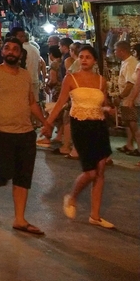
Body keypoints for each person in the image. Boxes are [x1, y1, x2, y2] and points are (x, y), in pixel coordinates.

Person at [0, 37, 48, 235]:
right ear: (3, 52)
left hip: (26, 133)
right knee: (3, 173)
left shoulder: (25, 75)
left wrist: (46, 123)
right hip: (2, 132)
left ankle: (19, 219)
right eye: (7, 48)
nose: (10, 52)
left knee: (23, 177)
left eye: (15, 49)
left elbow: (32, 103)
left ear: (20, 54)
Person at [41, 46, 115, 229]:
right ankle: (72, 198)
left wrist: (109, 110)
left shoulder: (101, 81)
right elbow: (60, 103)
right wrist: (48, 123)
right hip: (80, 126)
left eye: (88, 57)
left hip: (99, 125)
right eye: (81, 57)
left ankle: (95, 216)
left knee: (101, 170)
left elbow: (103, 103)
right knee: (90, 172)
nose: (84, 60)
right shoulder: (71, 78)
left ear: (95, 60)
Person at [114, 41, 139, 155]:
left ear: (122, 51)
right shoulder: (126, 62)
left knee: (133, 124)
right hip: (128, 99)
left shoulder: (131, 63)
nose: (114, 52)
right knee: (128, 122)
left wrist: (123, 97)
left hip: (131, 99)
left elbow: (131, 83)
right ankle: (129, 144)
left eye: (115, 50)